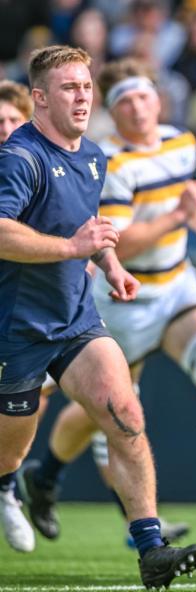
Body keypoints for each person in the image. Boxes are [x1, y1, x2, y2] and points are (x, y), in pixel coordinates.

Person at [18, 57, 196, 546]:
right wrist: (179, 217)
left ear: (158, 98)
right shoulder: (110, 161)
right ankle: (44, 477)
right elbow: (120, 244)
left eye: (143, 96)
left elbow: (186, 198)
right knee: (104, 410)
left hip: (177, 286)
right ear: (113, 109)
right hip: (125, 298)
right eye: (124, 101)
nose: (137, 108)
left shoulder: (181, 142)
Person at [0, 45, 196, 589]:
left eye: (87, 86)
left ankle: (151, 550)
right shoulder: (20, 158)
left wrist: (111, 264)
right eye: (69, 88)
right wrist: (73, 248)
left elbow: (88, 224)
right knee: (9, 453)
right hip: (16, 329)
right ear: (40, 98)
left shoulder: (93, 155)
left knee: (125, 414)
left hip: (75, 320)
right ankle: (6, 486)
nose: (83, 97)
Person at [0, 79, 37, 554]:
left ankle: (8, 489)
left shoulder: (38, 166)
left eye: (12, 118)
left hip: (24, 311)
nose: (5, 127)